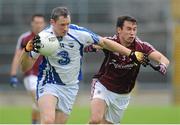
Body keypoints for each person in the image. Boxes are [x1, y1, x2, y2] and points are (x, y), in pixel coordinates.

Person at [20, 7, 149, 124]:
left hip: (70, 87)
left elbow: (104, 42)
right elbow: (25, 67)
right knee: (48, 121)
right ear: (52, 22)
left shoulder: (78, 33)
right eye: (62, 25)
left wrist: (131, 53)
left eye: (68, 24)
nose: (65, 28)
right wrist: (26, 50)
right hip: (49, 82)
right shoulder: (42, 39)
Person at [84, 16, 170, 124]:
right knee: (95, 119)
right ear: (119, 30)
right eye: (128, 29)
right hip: (103, 85)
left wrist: (162, 66)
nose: (132, 33)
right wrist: (92, 47)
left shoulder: (141, 47)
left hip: (122, 94)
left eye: (134, 29)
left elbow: (163, 59)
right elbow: (90, 46)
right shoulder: (110, 42)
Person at [10, 14, 46, 124]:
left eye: (40, 23)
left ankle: (34, 122)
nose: (38, 25)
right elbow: (17, 56)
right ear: (32, 23)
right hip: (30, 75)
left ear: (44, 24)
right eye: (36, 22)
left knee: (38, 103)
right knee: (40, 101)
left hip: (46, 75)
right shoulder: (25, 38)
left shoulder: (49, 37)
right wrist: (13, 75)